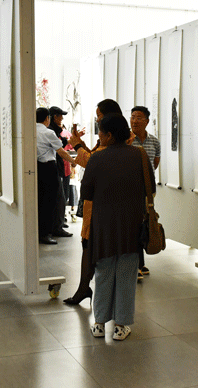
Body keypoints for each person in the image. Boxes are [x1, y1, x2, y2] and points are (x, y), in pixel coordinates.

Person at [81, 114, 153, 341]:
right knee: (126, 274)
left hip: (103, 225)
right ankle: (121, 326)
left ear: (110, 135)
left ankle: (99, 324)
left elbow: (86, 193)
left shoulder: (97, 158)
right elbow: (150, 187)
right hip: (131, 224)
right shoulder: (139, 155)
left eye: (100, 133)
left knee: (103, 273)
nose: (99, 137)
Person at [64, 98, 123, 305]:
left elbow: (94, 162)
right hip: (97, 201)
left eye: (99, 116)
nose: (97, 120)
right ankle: (84, 288)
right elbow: (94, 157)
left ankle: (93, 293)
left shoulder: (122, 139)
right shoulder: (111, 136)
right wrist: (79, 144)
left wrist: (77, 144)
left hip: (107, 203)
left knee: (97, 247)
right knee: (87, 244)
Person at [36, 107, 77, 245]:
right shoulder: (48, 132)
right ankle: (46, 233)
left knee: (41, 200)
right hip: (48, 168)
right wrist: (73, 161)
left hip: (36, 167)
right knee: (50, 201)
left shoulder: (30, 130)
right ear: (47, 118)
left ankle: (44, 231)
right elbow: (61, 151)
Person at [130, 106, 161, 279]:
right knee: (133, 225)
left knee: (144, 224)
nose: (134, 121)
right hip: (129, 189)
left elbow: (154, 164)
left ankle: (139, 263)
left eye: (139, 117)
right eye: (133, 117)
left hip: (147, 191)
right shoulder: (127, 141)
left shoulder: (154, 142)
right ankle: (137, 264)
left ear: (147, 121)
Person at [49, 106, 70, 232]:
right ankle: (57, 226)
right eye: (60, 116)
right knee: (59, 198)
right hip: (55, 167)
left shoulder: (54, 130)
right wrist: (73, 160)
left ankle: (59, 223)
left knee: (61, 197)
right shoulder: (50, 131)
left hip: (58, 167)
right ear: (54, 117)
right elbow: (60, 148)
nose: (62, 118)